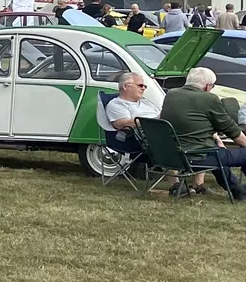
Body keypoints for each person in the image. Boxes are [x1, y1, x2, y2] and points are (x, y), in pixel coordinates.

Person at [159, 67, 246, 198]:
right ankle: (238, 191)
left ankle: (237, 190)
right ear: (207, 86)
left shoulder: (171, 94)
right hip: (196, 157)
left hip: (173, 156)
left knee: (217, 153)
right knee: (230, 154)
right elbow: (230, 129)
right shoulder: (209, 99)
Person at [103, 71, 162, 157]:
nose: (143, 88)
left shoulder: (145, 102)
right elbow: (122, 124)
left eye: (145, 86)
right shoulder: (116, 104)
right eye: (140, 85)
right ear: (125, 86)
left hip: (162, 130)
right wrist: (154, 121)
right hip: (144, 138)